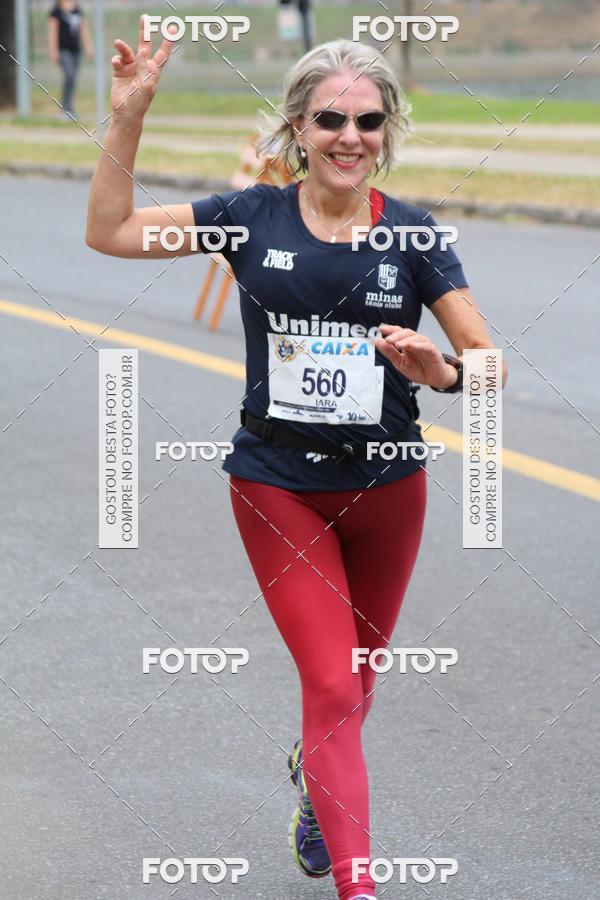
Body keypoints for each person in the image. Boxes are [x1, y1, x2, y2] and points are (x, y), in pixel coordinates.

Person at [85, 18, 507, 900]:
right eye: (330, 119)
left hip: (388, 486)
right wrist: (128, 117)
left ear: (387, 130)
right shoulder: (249, 217)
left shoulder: (415, 236)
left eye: (368, 120)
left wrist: (443, 371)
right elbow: (112, 231)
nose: (350, 137)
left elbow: (489, 363)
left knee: (355, 686)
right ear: (297, 128)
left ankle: (315, 783)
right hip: (278, 486)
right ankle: (360, 886)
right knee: (333, 685)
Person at [48, 0, 93, 120]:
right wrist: (54, 50)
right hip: (63, 50)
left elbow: (83, 29)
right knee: (70, 76)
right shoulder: (56, 11)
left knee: (72, 80)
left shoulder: (77, 9)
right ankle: (65, 109)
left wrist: (88, 46)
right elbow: (53, 32)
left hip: (76, 50)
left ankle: (70, 109)